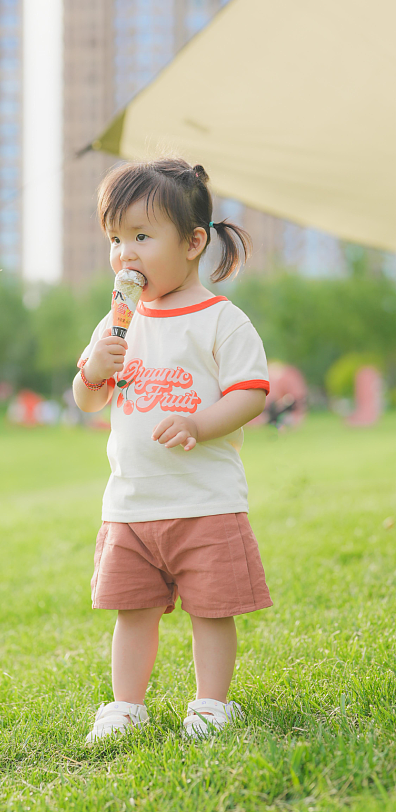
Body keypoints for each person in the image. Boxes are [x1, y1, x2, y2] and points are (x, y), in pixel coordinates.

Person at [73, 157, 273, 743]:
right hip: (131, 504)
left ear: (192, 243)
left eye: (140, 236)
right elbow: (86, 401)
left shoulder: (220, 321)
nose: (124, 254)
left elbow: (250, 393)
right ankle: (124, 705)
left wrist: (201, 424)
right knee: (131, 611)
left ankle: (211, 703)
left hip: (204, 501)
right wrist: (93, 373)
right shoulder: (117, 324)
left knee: (212, 610)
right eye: (115, 238)